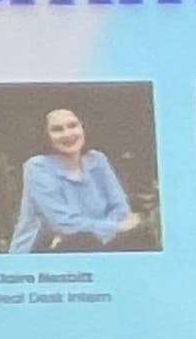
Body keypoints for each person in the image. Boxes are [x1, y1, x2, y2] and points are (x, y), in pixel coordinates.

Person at [8, 106, 145, 254]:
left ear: (83, 127)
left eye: (73, 125)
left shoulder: (97, 160)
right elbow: (64, 223)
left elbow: (120, 208)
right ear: (45, 135)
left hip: (94, 245)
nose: (68, 134)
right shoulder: (37, 167)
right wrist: (116, 227)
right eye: (57, 129)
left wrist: (97, 232)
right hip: (42, 251)